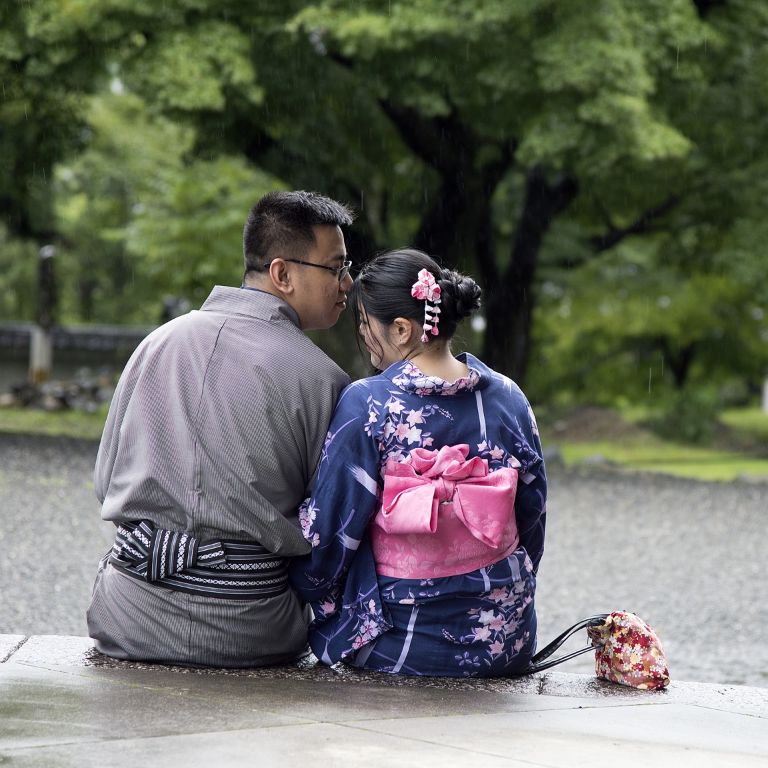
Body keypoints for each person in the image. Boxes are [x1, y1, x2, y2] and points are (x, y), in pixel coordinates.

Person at [87, 190, 354, 667]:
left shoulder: (158, 343)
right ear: (283, 273)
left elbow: (105, 480)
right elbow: (328, 532)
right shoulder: (322, 378)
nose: (347, 283)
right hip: (252, 627)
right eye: (336, 268)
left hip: (130, 613)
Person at [289, 249, 546, 677]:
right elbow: (533, 521)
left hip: (404, 642)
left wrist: (306, 591)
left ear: (403, 329)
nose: (363, 334)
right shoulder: (508, 398)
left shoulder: (370, 403)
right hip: (507, 637)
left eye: (365, 323)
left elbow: (328, 537)